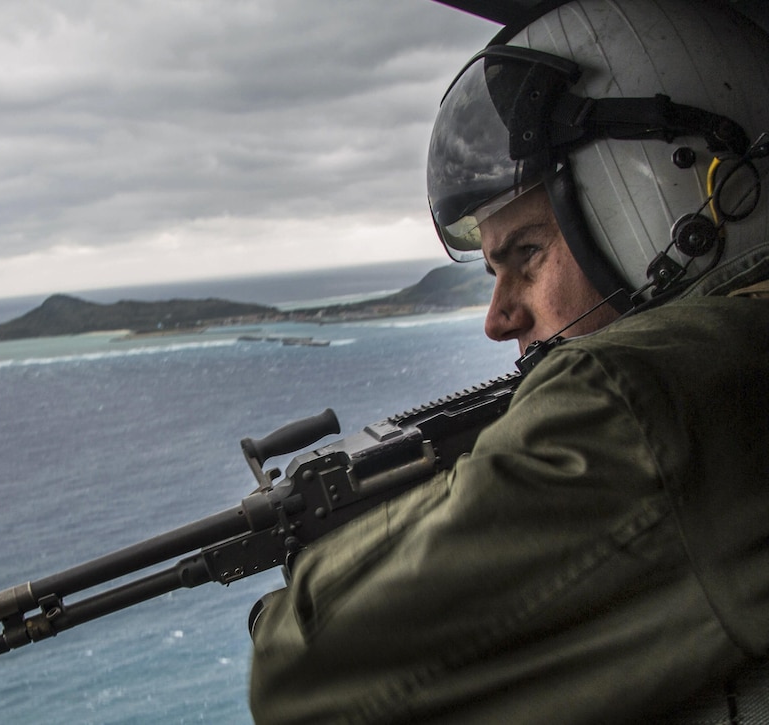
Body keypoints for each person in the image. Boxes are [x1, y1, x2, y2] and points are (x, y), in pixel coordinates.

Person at [247, 0, 769, 722]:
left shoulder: (635, 395)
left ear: (673, 203)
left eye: (527, 252)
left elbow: (301, 674)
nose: (499, 319)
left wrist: (342, 551)